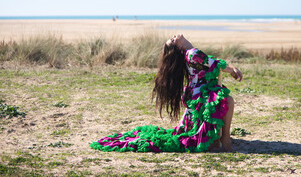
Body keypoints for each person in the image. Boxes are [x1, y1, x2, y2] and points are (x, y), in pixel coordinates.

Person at [90, 34, 243, 153]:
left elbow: (209, 62)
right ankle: (226, 139)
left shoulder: (188, 54)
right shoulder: (191, 52)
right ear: (178, 45)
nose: (175, 36)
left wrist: (230, 69)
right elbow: (212, 62)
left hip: (197, 94)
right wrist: (232, 69)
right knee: (227, 100)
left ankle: (218, 139)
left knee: (222, 99)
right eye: (173, 39)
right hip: (201, 95)